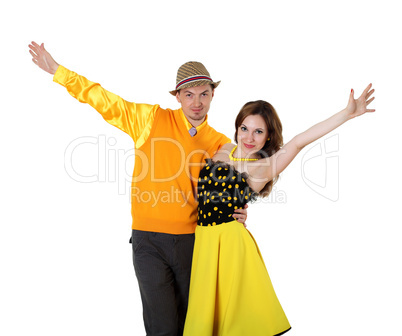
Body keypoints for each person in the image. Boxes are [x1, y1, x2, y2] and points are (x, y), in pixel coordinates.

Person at [28, 41, 248, 336]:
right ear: (178, 96)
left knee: (193, 326)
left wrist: (239, 211)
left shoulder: (219, 142)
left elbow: (235, 185)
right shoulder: (150, 119)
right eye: (189, 94)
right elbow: (103, 99)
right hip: (148, 243)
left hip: (192, 243)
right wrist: (57, 70)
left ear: (212, 95)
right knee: (161, 327)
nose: (197, 102)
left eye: (204, 94)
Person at [183, 87, 375, 335]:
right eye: (245, 128)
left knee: (232, 323)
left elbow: (298, 142)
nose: (249, 137)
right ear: (237, 128)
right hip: (203, 243)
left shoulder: (260, 168)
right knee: (203, 320)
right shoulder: (223, 149)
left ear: (268, 138)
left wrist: (346, 113)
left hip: (229, 246)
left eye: (258, 131)